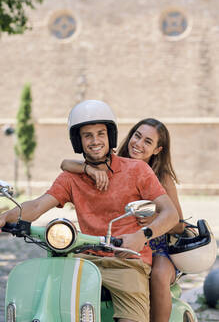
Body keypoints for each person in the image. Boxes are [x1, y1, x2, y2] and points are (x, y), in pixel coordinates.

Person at [0, 100, 179, 322]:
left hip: (127, 261)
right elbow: (37, 205)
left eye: (100, 133)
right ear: (79, 141)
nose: (95, 141)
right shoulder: (71, 178)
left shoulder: (137, 169)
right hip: (82, 259)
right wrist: (6, 216)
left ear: (110, 136)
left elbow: (170, 213)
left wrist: (141, 236)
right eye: (87, 135)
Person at [61, 117, 184, 322]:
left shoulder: (161, 177)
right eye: (137, 136)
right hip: (119, 242)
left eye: (147, 141)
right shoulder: (112, 161)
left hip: (156, 243)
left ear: (157, 150)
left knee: (159, 276)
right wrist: (87, 169)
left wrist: (153, 218)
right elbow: (65, 163)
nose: (138, 144)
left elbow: (177, 223)